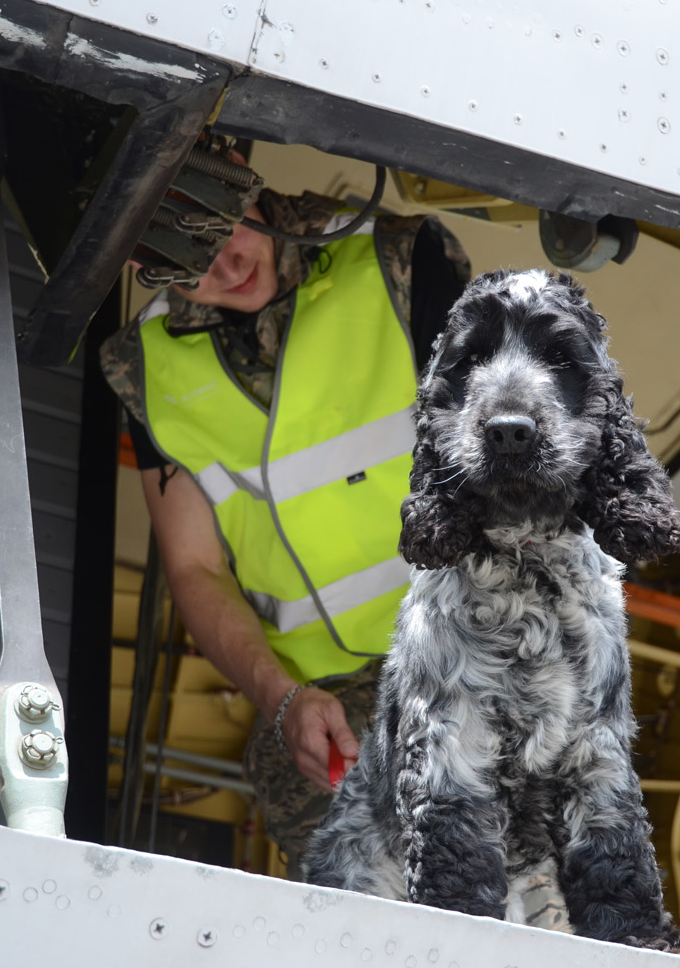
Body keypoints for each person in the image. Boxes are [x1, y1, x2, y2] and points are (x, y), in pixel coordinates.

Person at [100, 166, 469, 874]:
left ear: (248, 190)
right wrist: (282, 699)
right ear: (144, 269)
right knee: (355, 863)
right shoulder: (143, 368)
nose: (226, 266)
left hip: (463, 641)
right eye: (187, 263)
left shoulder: (395, 260)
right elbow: (194, 566)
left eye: (223, 231)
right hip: (324, 694)